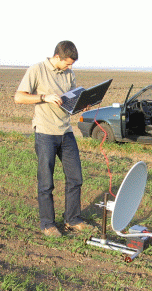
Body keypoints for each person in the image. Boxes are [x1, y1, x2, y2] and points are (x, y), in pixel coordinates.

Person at [14, 40, 92, 237]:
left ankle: (72, 219)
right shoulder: (37, 70)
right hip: (45, 133)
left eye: (72, 64)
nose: (70, 67)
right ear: (57, 57)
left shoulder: (69, 74)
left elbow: (69, 102)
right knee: (46, 182)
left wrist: (80, 106)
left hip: (66, 131)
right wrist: (44, 97)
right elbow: (19, 97)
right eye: (68, 63)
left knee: (76, 178)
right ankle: (47, 224)